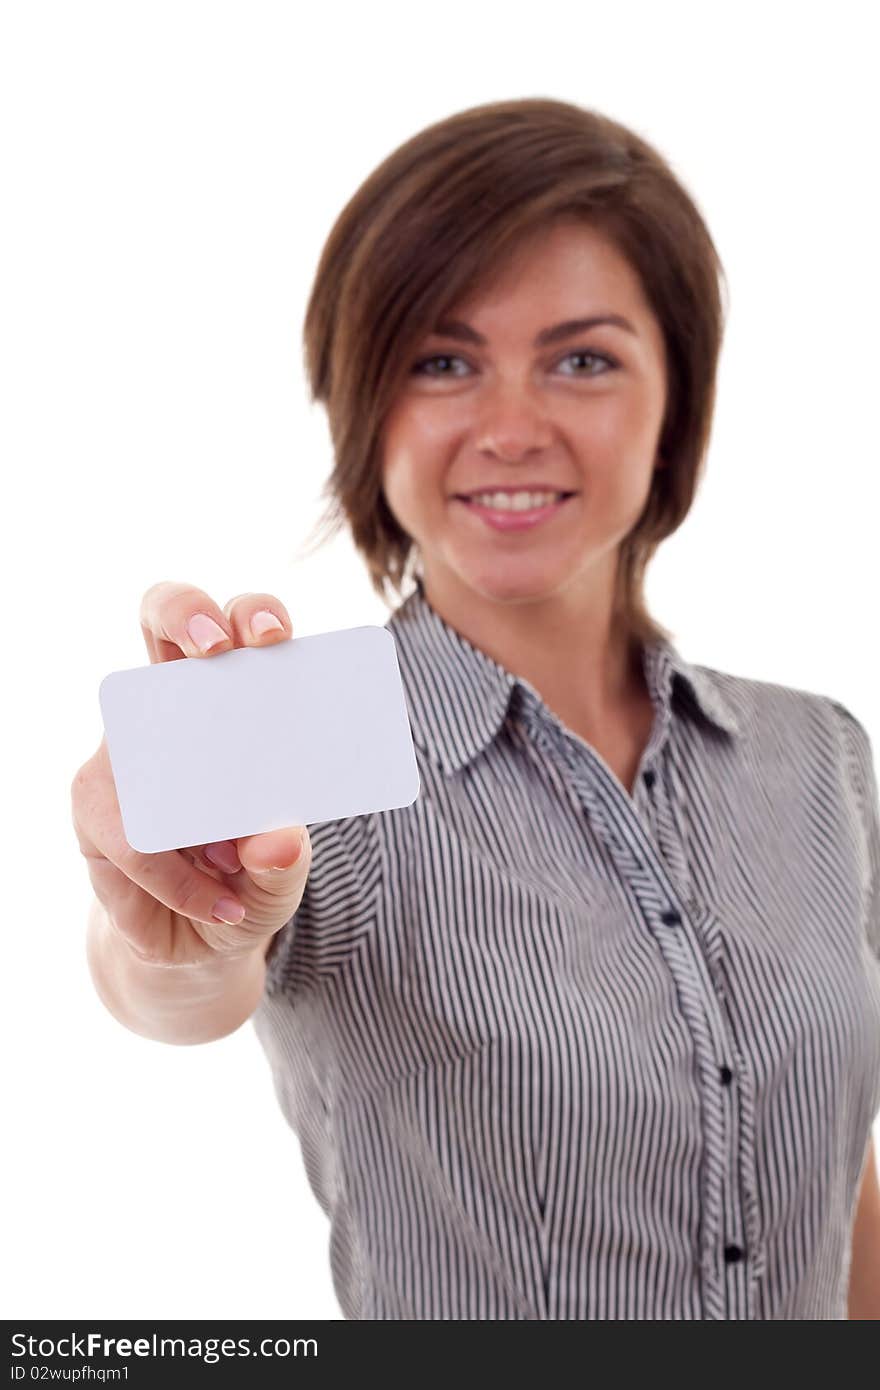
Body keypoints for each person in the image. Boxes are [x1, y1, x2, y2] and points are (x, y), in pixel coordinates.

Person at [72, 97, 880, 1320]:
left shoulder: (818, 755)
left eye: (583, 359)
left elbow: (829, 1178)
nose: (510, 428)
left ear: (676, 404)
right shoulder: (302, 757)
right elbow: (180, 980)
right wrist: (168, 929)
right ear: (366, 409)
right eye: (443, 362)